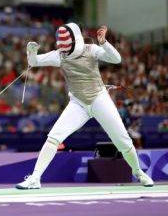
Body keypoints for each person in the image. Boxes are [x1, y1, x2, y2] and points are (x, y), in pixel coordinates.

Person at [16, 23, 153, 189]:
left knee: (122, 141)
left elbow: (116, 59)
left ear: (74, 41)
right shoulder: (60, 55)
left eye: (66, 46)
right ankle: (35, 178)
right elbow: (34, 62)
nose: (63, 50)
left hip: (99, 99)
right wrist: (31, 51)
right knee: (53, 137)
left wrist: (104, 43)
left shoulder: (91, 49)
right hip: (78, 104)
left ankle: (138, 172)